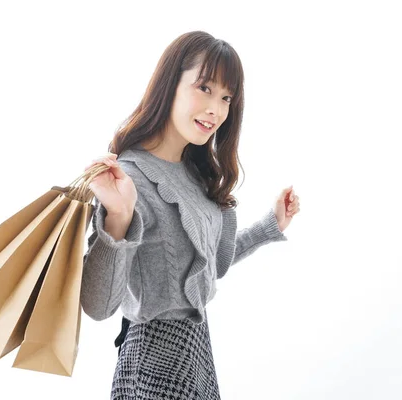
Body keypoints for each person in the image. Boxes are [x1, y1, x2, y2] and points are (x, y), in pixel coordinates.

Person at [81, 31, 301, 400]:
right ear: (170, 84)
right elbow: (98, 305)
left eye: (227, 97)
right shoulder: (127, 179)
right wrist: (117, 215)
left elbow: (210, 265)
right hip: (152, 365)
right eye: (205, 88)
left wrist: (271, 226)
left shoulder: (195, 174)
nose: (216, 109)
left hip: (196, 354)